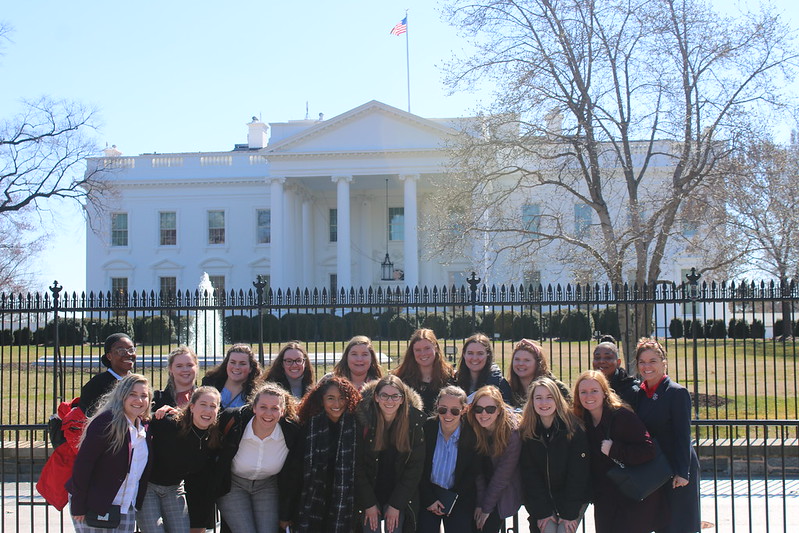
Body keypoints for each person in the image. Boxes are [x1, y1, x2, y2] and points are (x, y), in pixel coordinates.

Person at [572, 370, 663, 533]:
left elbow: (648, 450)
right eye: (583, 392)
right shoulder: (581, 421)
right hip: (605, 498)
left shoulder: (622, 416)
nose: (588, 396)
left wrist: (615, 450)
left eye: (594, 391)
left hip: (632, 496)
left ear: (604, 392)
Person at [66, 373, 152, 532]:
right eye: (132, 394)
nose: (139, 400)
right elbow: (84, 464)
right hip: (93, 503)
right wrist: (78, 504)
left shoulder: (144, 427)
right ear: (122, 396)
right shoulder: (106, 422)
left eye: (144, 396)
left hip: (125, 507)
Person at [214, 382, 303, 533]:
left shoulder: (292, 432)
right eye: (263, 407)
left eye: (275, 408)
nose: (268, 413)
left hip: (267, 485)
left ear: (282, 411)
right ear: (254, 408)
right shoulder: (235, 421)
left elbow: (294, 473)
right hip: (234, 485)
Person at [635, 338, 701, 533]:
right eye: (642, 362)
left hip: (677, 470)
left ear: (664, 362)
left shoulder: (676, 392)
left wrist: (682, 472)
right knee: (661, 523)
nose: (647, 366)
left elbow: (683, 434)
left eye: (653, 361)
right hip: (656, 470)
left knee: (679, 524)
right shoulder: (640, 393)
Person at [139, 386, 221, 533]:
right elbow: (140, 421)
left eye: (213, 406)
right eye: (203, 404)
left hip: (175, 489)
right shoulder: (169, 424)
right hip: (149, 487)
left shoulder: (214, 437)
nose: (208, 410)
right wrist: (158, 411)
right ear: (192, 407)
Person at [355, 375, 426, 533]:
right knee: (369, 527)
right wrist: (369, 503)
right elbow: (357, 467)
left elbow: (414, 469)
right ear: (376, 398)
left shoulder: (413, 425)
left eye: (395, 396)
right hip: (370, 494)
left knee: (395, 527)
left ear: (402, 399)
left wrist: (396, 505)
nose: (389, 401)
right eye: (384, 395)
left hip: (399, 495)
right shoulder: (363, 423)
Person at [519, 377, 589, 533]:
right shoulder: (527, 432)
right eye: (538, 398)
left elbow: (578, 476)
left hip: (572, 498)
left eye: (549, 397)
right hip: (542, 500)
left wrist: (569, 513)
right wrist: (543, 511)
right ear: (532, 402)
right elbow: (529, 475)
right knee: (548, 530)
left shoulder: (574, 430)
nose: (544, 403)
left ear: (557, 400)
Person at [295, 375, 362, 533]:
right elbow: (295, 470)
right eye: (330, 398)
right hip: (314, 499)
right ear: (321, 400)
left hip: (345, 501)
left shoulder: (356, 426)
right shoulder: (308, 427)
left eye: (342, 398)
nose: (337, 404)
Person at [417, 386, 478, 533]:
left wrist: (451, 501)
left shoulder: (472, 434)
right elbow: (417, 467)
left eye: (455, 410)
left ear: (464, 410)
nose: (448, 415)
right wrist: (430, 499)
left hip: (459, 497)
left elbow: (472, 473)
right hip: (428, 495)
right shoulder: (427, 428)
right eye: (443, 409)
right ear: (437, 406)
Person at [467, 385, 522, 533]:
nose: (484, 414)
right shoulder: (474, 428)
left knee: (486, 525)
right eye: (479, 409)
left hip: (502, 492)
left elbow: (502, 477)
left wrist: (486, 508)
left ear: (499, 410)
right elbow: (477, 470)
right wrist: (480, 503)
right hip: (479, 488)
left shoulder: (512, 433)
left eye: (490, 409)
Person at [393, 328, 455, 414]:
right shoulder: (401, 378)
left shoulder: (450, 377)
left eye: (427, 348)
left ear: (436, 348)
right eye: (418, 350)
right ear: (412, 352)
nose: (423, 353)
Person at [79, 333, 137, 416]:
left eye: (131, 350)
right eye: (121, 351)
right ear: (109, 356)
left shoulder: (137, 382)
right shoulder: (96, 385)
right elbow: (91, 417)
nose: (128, 354)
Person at [508, 339, 571, 408]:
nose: (521, 363)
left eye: (527, 360)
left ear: (538, 363)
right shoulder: (507, 388)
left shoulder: (557, 388)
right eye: (517, 359)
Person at [455, 333, 512, 403]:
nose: (475, 358)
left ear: (488, 355)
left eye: (480, 353)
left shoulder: (499, 384)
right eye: (470, 353)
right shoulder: (455, 381)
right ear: (464, 354)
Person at [202, 344, 262, 409]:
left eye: (242, 364)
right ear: (226, 364)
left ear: (250, 368)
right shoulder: (209, 383)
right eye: (232, 362)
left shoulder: (256, 393)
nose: (237, 367)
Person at [592, 338, 640, 408]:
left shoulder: (631, 391)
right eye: (597, 357)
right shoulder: (588, 386)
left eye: (608, 357)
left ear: (618, 362)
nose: (601, 361)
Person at [152, 346, 199, 411]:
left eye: (189, 365)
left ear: (196, 367)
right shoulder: (157, 399)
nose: (185, 370)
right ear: (170, 369)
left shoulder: (205, 398)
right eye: (179, 366)